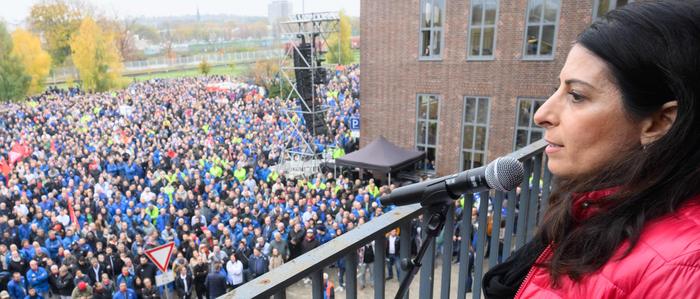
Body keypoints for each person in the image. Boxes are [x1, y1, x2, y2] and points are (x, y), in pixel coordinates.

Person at [483, 1, 700, 298]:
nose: (541, 114)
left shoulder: (682, 269)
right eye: (558, 88)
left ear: (659, 122)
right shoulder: (601, 204)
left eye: (576, 95)